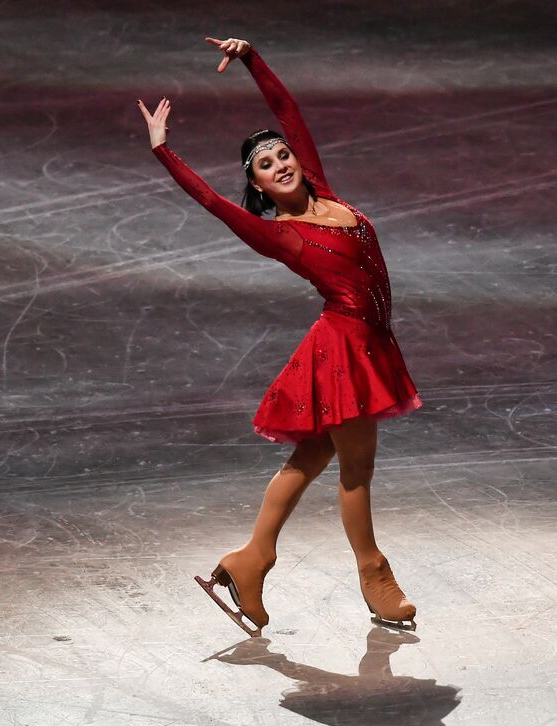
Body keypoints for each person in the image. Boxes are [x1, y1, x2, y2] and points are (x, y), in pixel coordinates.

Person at [136, 37, 421, 635]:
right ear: (260, 187)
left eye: (281, 155)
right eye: (265, 165)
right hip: (343, 351)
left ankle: (250, 559)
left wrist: (251, 58)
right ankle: (374, 575)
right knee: (356, 469)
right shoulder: (281, 233)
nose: (280, 163)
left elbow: (290, 113)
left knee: (313, 454)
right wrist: (165, 152)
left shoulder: (325, 192)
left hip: (366, 344)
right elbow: (214, 202)